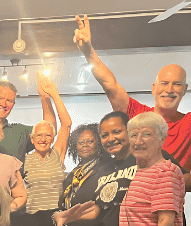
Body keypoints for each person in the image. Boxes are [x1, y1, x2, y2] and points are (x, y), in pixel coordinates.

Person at [74, 14, 191, 172]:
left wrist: (170, 180)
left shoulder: (188, 124)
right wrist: (89, 54)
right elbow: (110, 84)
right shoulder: (137, 114)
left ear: (184, 89)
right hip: (131, 194)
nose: (169, 90)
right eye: (164, 83)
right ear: (154, 88)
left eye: (176, 84)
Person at [22, 76, 70, 226]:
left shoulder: (57, 154)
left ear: (53, 139)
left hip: (53, 221)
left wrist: (53, 93)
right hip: (31, 221)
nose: (43, 139)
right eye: (38, 135)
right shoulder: (25, 160)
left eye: (47, 135)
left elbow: (67, 123)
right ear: (32, 139)